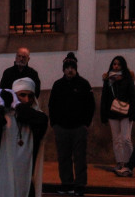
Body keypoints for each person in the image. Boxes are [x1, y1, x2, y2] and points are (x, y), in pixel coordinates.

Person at [0, 77, 48, 197]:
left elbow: (41, 121)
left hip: (25, 178)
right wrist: (0, 106)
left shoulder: (37, 117)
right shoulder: (4, 117)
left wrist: (18, 105)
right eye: (22, 95)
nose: (27, 99)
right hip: (3, 177)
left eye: (30, 96)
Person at [48, 52, 94, 196]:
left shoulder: (84, 84)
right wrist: (54, 123)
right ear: (63, 69)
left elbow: (90, 105)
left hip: (79, 127)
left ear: (76, 68)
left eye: (72, 67)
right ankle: (67, 183)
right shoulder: (57, 85)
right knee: (63, 157)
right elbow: (52, 105)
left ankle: (80, 185)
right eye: (67, 67)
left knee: (80, 158)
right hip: (61, 127)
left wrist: (86, 123)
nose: (69, 70)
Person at [100, 55, 135, 173]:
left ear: (123, 66)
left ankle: (130, 163)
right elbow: (104, 97)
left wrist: (133, 113)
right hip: (113, 112)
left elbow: (133, 97)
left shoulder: (127, 79)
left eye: (119, 64)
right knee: (116, 139)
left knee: (126, 139)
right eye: (114, 64)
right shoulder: (108, 80)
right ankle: (120, 162)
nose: (116, 66)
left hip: (125, 112)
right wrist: (103, 115)